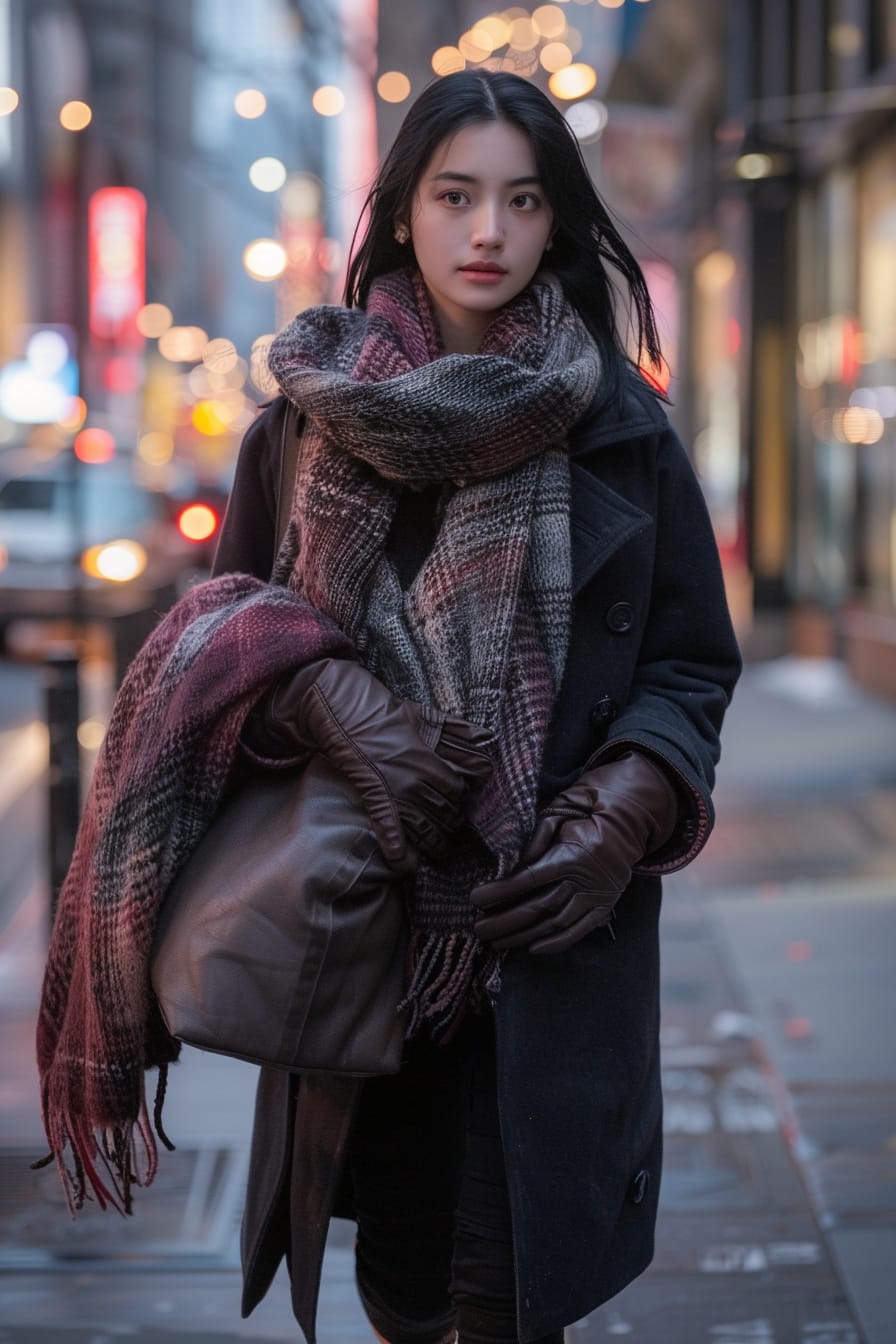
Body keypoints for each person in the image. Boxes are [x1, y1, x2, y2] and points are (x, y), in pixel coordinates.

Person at [35, 69, 740, 1344]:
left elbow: (689, 667)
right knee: (404, 1287)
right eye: (455, 195)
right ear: (400, 209)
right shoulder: (301, 430)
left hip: (543, 945)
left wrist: (620, 818)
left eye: (522, 202)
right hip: (351, 939)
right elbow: (217, 655)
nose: (487, 233)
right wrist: (338, 703)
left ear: (557, 223)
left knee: (503, 1290)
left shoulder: (622, 429)